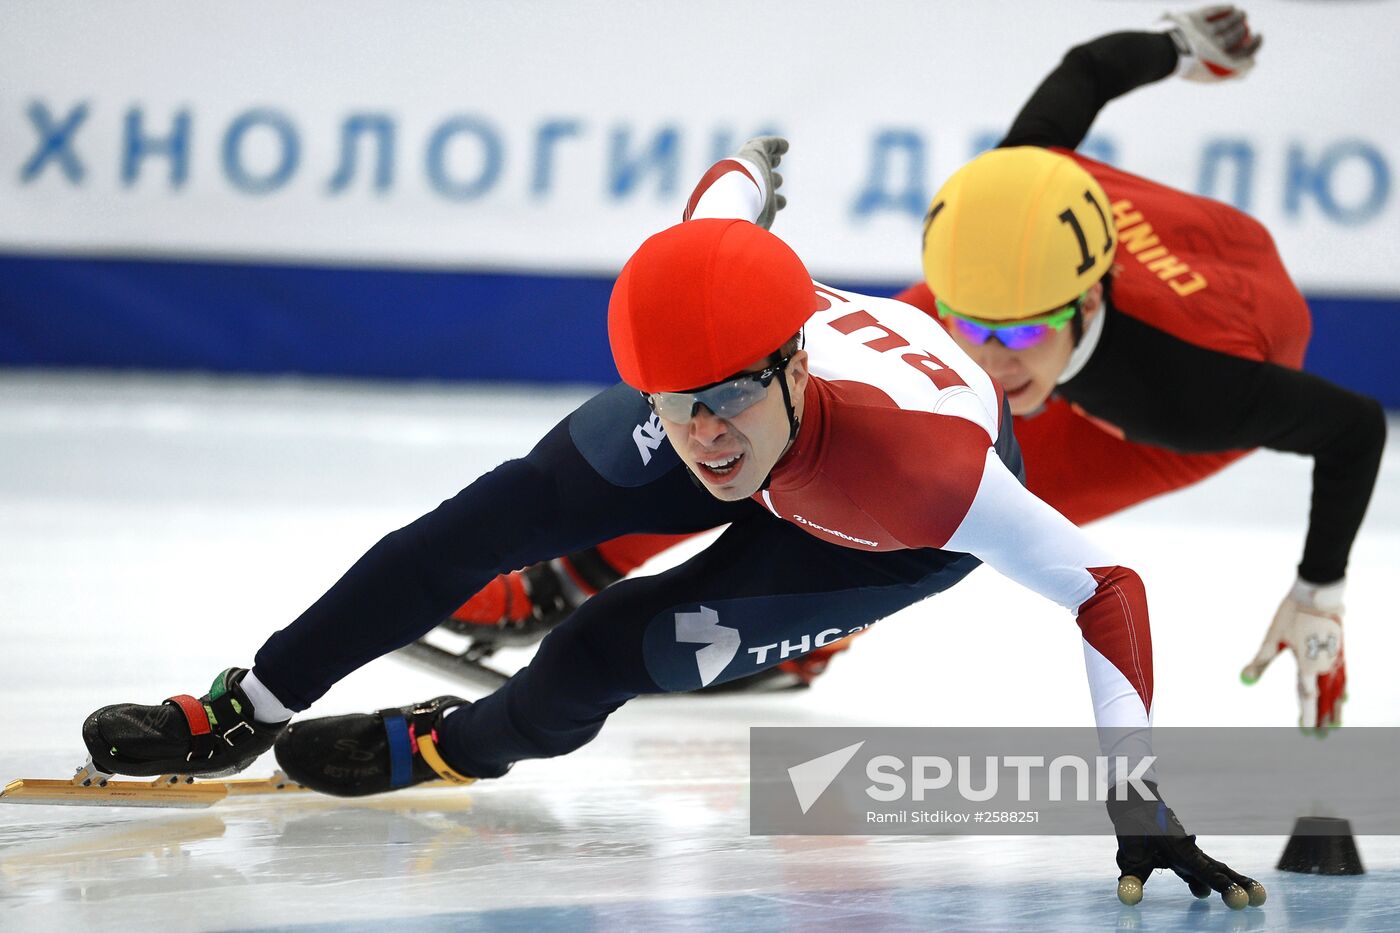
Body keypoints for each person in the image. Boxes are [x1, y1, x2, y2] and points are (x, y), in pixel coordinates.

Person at [83, 136, 1264, 908]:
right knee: (472, 526)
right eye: (677, 406)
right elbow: (726, 192)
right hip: (790, 422)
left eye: (731, 400)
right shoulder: (712, 366)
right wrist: (752, 161)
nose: (705, 436)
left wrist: (1134, 795)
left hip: (864, 527)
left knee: (605, 647)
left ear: (793, 360)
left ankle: (452, 745)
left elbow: (1105, 582)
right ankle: (246, 706)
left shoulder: (926, 476)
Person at [435, 5, 1385, 728]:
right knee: (816, 401)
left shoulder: (1193, 398)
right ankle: (574, 571)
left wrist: (1320, 587)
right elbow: (1089, 68)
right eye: (962, 322)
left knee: (955, 498)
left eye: (1010, 338)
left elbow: (1353, 428)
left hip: (1214, 336)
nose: (978, 355)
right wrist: (1185, 45)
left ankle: (817, 627)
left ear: (1087, 304)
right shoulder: (1009, 208)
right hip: (1078, 275)